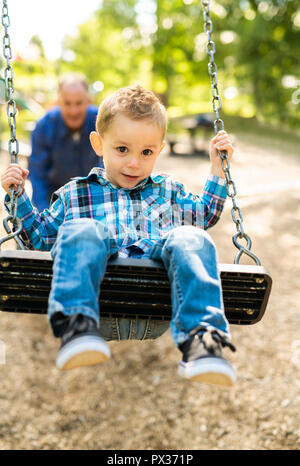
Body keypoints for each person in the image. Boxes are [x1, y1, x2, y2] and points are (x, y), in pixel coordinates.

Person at [1, 85, 236, 387]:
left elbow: (206, 214)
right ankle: (76, 323)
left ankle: (202, 340)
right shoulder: (77, 194)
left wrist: (218, 170)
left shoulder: (169, 192)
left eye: (146, 152)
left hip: (156, 304)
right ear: (99, 144)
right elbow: (39, 239)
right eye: (122, 149)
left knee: (194, 238)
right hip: (99, 304)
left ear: (159, 150)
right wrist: (17, 196)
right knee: (83, 229)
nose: (134, 163)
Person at [29, 73, 103, 211]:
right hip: (56, 203)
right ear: (58, 102)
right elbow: (38, 175)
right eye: (67, 103)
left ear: (88, 100)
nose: (73, 111)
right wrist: (45, 215)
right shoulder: (44, 127)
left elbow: (109, 166)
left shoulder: (101, 122)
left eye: (79, 103)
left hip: (95, 200)